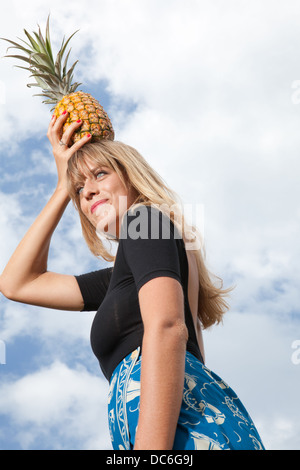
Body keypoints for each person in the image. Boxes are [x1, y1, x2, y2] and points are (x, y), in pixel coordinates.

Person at [0, 112, 265, 451]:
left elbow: (168, 327)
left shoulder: (144, 219)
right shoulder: (130, 269)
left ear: (131, 176)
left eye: (100, 174)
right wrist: (61, 188)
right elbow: (16, 283)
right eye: (80, 189)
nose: (88, 192)